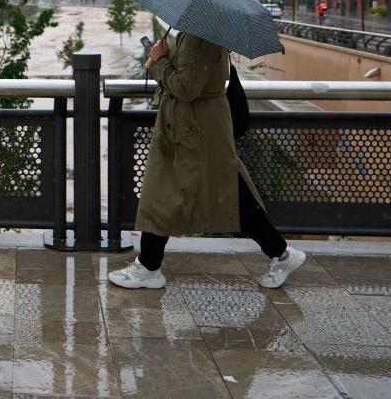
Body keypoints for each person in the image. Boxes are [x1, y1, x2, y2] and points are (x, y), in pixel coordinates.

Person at [108, 31, 305, 290]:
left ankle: (149, 267)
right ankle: (149, 264)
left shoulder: (201, 37)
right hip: (191, 130)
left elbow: (186, 87)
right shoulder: (194, 33)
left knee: (214, 195)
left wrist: (159, 62)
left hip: (197, 132)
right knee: (194, 194)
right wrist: (163, 55)